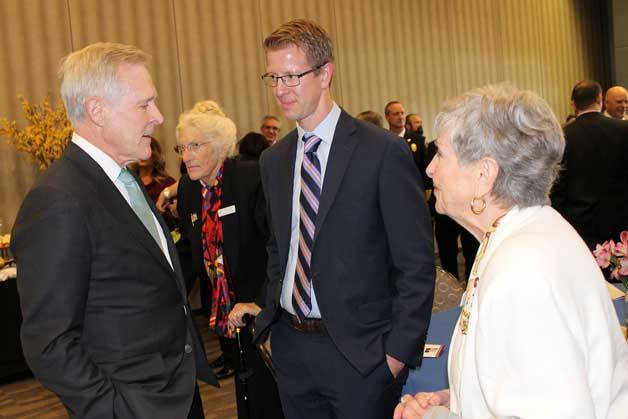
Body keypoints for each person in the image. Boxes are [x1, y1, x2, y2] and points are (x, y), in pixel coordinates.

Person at [394, 84, 628, 419]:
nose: (430, 169)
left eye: (441, 154)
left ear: (484, 174)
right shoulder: (526, 232)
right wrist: (458, 397)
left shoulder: (522, 272)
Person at [10, 42, 217, 419]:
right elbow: (50, 343)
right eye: (144, 104)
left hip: (176, 394)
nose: (157, 116)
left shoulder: (123, 179)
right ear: (97, 110)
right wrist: (116, 410)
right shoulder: (59, 200)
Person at [254, 19, 435, 419]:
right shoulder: (274, 160)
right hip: (292, 350)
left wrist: (395, 355)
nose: (280, 89)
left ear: (324, 73)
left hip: (363, 357)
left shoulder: (381, 152)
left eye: (291, 76)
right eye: (273, 77)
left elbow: (416, 263)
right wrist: (270, 326)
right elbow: (278, 247)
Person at [171, 100, 284, 419]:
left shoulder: (250, 178)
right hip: (227, 313)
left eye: (194, 145)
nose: (186, 156)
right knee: (247, 390)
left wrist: (262, 303)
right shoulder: (189, 190)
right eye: (181, 147)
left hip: (265, 309)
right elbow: (188, 253)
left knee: (272, 395)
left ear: (219, 145)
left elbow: (278, 246)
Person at [551, 80, 628, 251]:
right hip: (620, 222)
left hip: (580, 226)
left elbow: (558, 186)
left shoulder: (563, 135)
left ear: (573, 103)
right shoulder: (624, 130)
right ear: (600, 100)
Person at [385, 101, 428, 182]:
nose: (400, 117)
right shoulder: (384, 140)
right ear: (387, 117)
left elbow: (424, 168)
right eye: (396, 114)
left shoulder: (418, 140)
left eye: (402, 113)